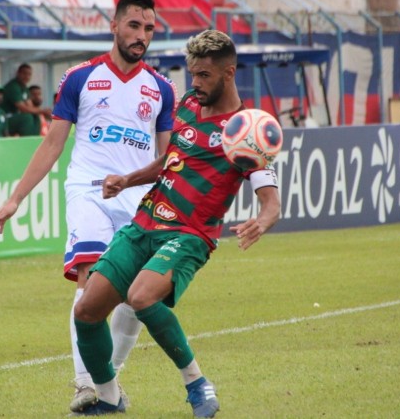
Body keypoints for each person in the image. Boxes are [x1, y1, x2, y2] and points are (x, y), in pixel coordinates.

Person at [71, 30, 281, 417]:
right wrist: (127, 180)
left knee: (141, 297)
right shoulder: (186, 104)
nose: (195, 84)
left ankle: (197, 383)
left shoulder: (244, 128)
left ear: (229, 73)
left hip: (189, 235)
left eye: (204, 76)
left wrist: (262, 221)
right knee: (86, 310)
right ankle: (108, 397)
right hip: (144, 224)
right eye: (192, 75)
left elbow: (270, 200)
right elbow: (169, 160)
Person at [0, 0, 178, 413]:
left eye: (149, 28)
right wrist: (15, 198)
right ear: (114, 25)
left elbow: (167, 161)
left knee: (134, 295)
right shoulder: (80, 77)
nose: (141, 35)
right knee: (91, 282)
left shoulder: (162, 89)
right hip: (88, 190)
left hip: (138, 198)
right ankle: (84, 384)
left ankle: (107, 379)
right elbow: (53, 143)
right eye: (133, 25)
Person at [2, 63, 53, 136]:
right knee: (27, 117)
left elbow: (30, 106)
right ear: (18, 73)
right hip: (5, 118)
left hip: (15, 117)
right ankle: (27, 141)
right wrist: (43, 111)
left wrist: (44, 112)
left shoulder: (24, 88)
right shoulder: (13, 86)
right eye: (24, 73)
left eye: (29, 74)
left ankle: (35, 140)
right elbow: (23, 108)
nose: (27, 77)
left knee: (36, 115)